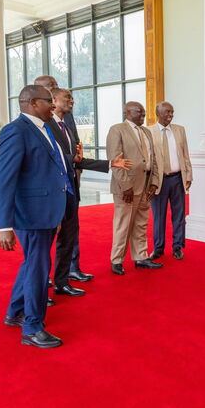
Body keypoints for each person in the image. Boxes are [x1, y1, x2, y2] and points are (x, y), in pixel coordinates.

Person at [0, 85, 75, 348]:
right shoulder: (16, 131)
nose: (53, 105)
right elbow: (4, 179)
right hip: (31, 214)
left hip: (48, 211)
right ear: (31, 103)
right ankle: (32, 328)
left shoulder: (45, 128)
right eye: (48, 101)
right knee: (39, 269)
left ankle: (15, 312)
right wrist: (3, 225)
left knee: (31, 263)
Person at [44, 88, 132, 297]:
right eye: (68, 98)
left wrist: (111, 163)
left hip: (70, 191)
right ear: (54, 100)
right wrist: (71, 158)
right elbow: (54, 159)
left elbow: (76, 160)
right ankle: (40, 290)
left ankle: (62, 282)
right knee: (44, 245)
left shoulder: (66, 126)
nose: (72, 101)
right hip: (54, 193)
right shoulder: (46, 126)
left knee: (68, 237)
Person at [34, 75, 97, 283]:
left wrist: (78, 165)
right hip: (49, 189)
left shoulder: (65, 117)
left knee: (71, 230)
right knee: (47, 237)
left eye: (55, 85)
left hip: (70, 180)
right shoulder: (38, 122)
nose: (55, 88)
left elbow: (74, 141)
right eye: (50, 87)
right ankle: (44, 280)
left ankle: (70, 270)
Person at [106, 101, 161, 274]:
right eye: (139, 112)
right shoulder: (117, 130)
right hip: (127, 189)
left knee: (141, 224)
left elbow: (152, 158)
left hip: (145, 185)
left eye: (144, 112)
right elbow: (116, 161)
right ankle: (117, 261)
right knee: (123, 225)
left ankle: (141, 257)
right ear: (127, 113)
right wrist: (126, 186)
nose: (143, 115)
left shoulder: (146, 131)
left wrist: (154, 182)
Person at [148, 102, 193, 261]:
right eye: (167, 112)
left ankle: (177, 247)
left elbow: (185, 154)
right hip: (158, 181)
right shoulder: (149, 131)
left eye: (172, 112)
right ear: (157, 113)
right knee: (158, 216)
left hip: (177, 179)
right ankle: (158, 248)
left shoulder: (179, 130)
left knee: (179, 215)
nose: (171, 115)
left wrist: (189, 175)